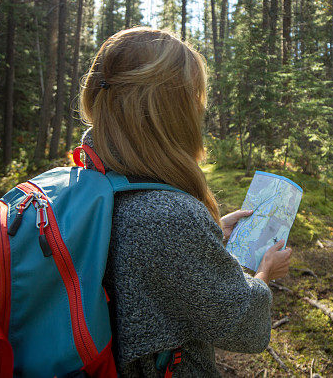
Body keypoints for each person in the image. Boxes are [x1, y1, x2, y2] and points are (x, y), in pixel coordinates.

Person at [77, 27, 292, 377]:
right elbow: (246, 328)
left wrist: (209, 237)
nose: (198, 109)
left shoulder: (90, 179)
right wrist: (266, 273)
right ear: (168, 109)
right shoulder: (168, 215)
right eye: (193, 97)